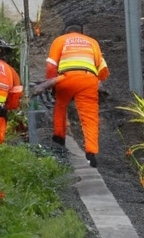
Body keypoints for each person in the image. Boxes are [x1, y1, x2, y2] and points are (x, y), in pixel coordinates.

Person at [45, 20, 109, 167]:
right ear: (82, 32)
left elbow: (51, 65)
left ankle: (59, 140)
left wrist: (50, 83)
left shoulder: (60, 40)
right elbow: (103, 69)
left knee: (60, 107)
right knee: (90, 117)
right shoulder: (92, 42)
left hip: (66, 78)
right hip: (88, 79)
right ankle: (91, 154)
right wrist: (97, 80)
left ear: (66, 31)